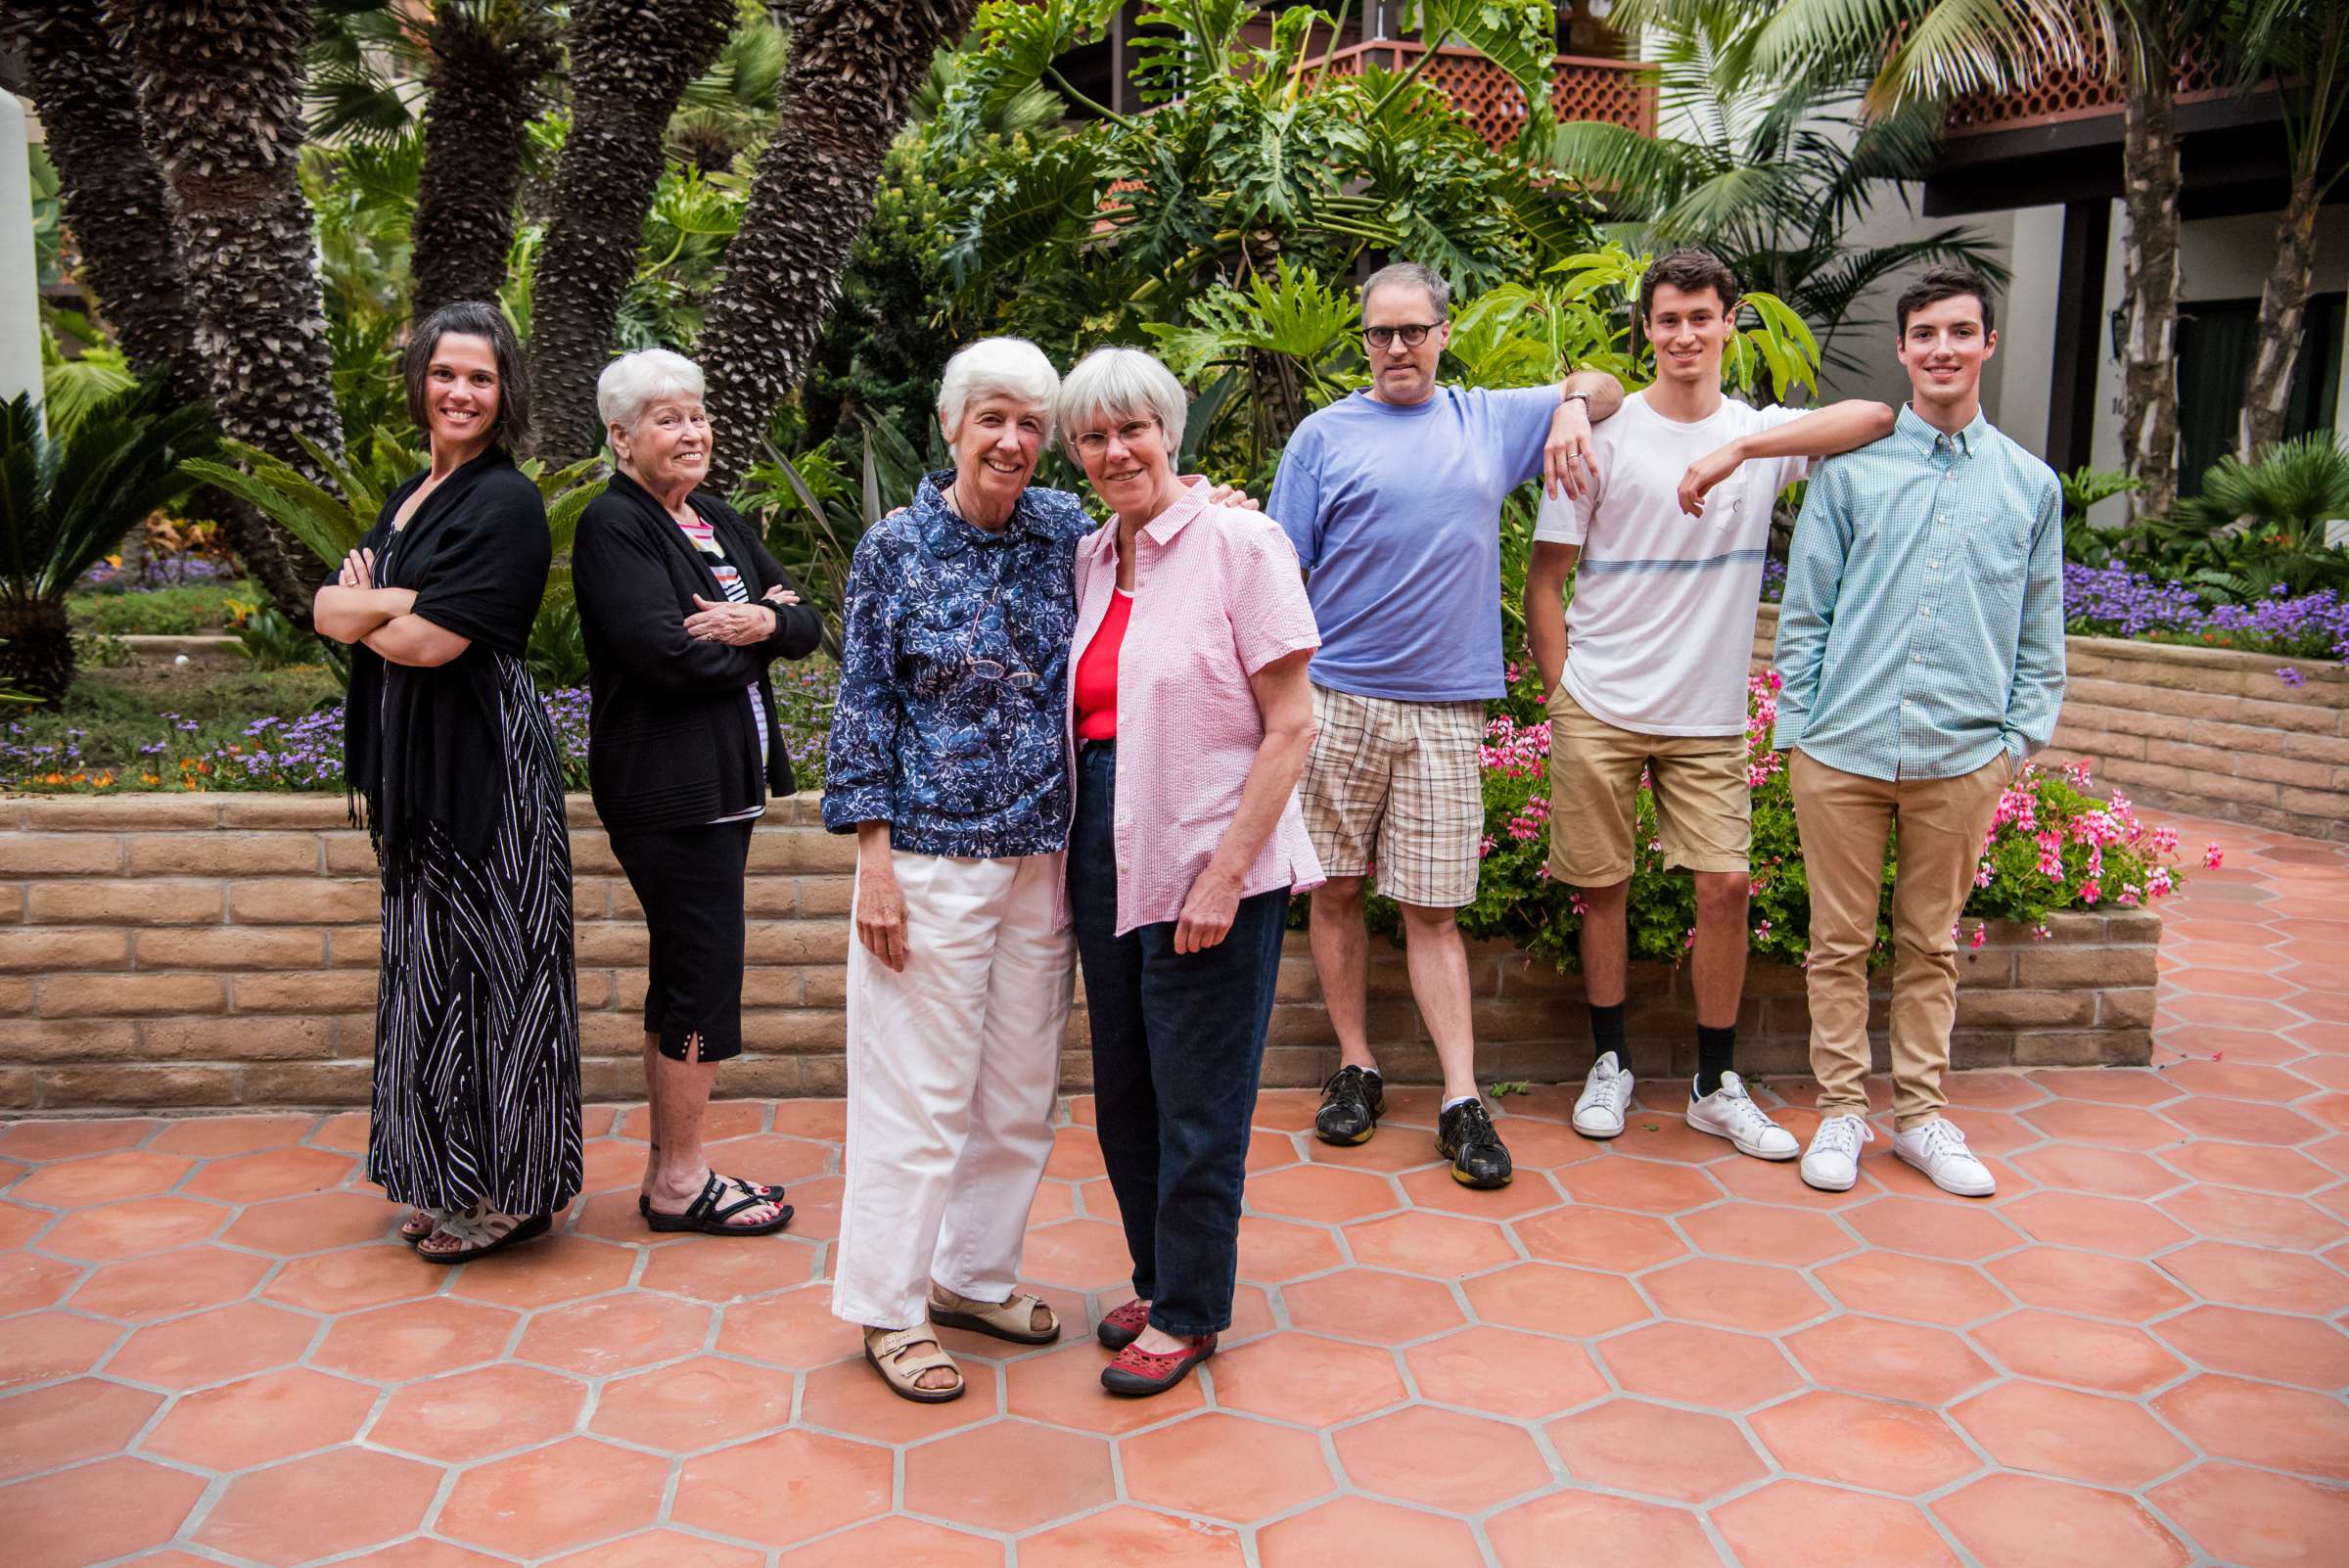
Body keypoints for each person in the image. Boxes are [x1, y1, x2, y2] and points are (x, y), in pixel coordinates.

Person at [1526, 247, 1895, 1161]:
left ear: (1732, 322)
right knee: (1602, 889)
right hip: (1601, 700)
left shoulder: (1764, 438)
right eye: (1667, 319)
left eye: (1702, 316)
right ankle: (1609, 1063)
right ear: (1647, 330)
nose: (1684, 334)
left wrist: (1741, 446)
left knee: (1725, 886)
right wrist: (1560, 689)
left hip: (1709, 713)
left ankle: (1712, 1082)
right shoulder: (1600, 438)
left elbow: (1877, 415)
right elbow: (1545, 581)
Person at [1268, 260, 1623, 1189]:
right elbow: (1279, 575)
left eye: (1413, 331)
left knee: (1433, 909)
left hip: (1443, 709)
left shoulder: (1487, 417)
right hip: (1337, 695)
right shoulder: (1320, 437)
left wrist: (1574, 406)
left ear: (1442, 331)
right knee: (1336, 891)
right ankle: (1357, 1066)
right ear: (1364, 341)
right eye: (1381, 334)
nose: (1397, 349)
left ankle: (1462, 1098)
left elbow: (1608, 384)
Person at [822, 338, 1085, 1403]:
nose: (1013, 441)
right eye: (993, 419)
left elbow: (1162, 528)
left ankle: (972, 1274)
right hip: (927, 860)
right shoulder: (894, 548)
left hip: (1041, 859)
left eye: (1031, 422)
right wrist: (872, 863)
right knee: (917, 1097)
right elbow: (863, 707)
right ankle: (889, 1308)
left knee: (1018, 1092)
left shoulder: (1065, 531)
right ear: (950, 425)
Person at [1057, 347, 1323, 1397]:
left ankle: (1191, 1309)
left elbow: (1292, 725)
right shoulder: (1091, 556)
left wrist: (1222, 876)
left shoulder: (1240, 543)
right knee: (1125, 1092)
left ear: (1173, 431)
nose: (1116, 451)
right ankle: (1158, 1273)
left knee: (1200, 1100)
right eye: (1094, 435)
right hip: (1107, 850)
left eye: (1135, 429)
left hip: (1213, 854)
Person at [1775, 265, 2064, 1197]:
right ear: (1903, 350)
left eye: (1961, 332)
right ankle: (1840, 1114)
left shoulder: (2031, 486)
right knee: (1836, 944)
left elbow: (2039, 624)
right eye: (1926, 334)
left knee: (1931, 945)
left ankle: (1924, 1119)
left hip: (1961, 757)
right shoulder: (1851, 472)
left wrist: (2015, 741)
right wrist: (1800, 733)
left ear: (1987, 344)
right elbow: (1806, 612)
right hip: (1842, 750)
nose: (1943, 349)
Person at [313, 300, 580, 1263]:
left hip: (486, 770)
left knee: (495, 971)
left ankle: (510, 1193)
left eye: (479, 376)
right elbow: (322, 607)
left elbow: (425, 643)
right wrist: (380, 601)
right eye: (445, 373)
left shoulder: (504, 502)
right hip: (419, 765)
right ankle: (443, 1174)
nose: (460, 391)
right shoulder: (408, 495)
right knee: (428, 971)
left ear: (503, 391)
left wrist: (374, 601)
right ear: (419, 379)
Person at [572, 348, 825, 1237]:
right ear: (622, 437)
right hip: (669, 794)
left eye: (698, 414)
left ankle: (669, 1170)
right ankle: (680, 1182)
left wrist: (762, 621)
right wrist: (761, 634)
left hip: (722, 794)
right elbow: (665, 656)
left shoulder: (713, 519)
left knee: (686, 975)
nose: (693, 431)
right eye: (669, 418)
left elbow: (806, 620)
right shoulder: (615, 527)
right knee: (702, 981)